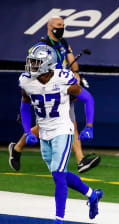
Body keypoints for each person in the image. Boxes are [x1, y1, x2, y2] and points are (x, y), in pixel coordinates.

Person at [19, 44, 103, 224]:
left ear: (47, 64)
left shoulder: (63, 79)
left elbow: (88, 99)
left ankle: (58, 222)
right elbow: (24, 107)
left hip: (62, 130)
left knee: (58, 175)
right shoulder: (26, 82)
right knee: (60, 174)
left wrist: (89, 126)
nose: (31, 65)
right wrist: (28, 131)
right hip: (45, 131)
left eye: (36, 62)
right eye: (31, 61)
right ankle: (92, 194)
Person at [9, 16, 100, 174]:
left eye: (63, 25)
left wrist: (76, 74)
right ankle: (17, 148)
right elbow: (31, 71)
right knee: (48, 124)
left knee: (69, 122)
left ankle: (80, 160)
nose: (61, 28)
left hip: (62, 87)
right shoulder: (40, 46)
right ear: (49, 26)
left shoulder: (63, 43)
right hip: (46, 89)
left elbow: (71, 59)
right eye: (59, 25)